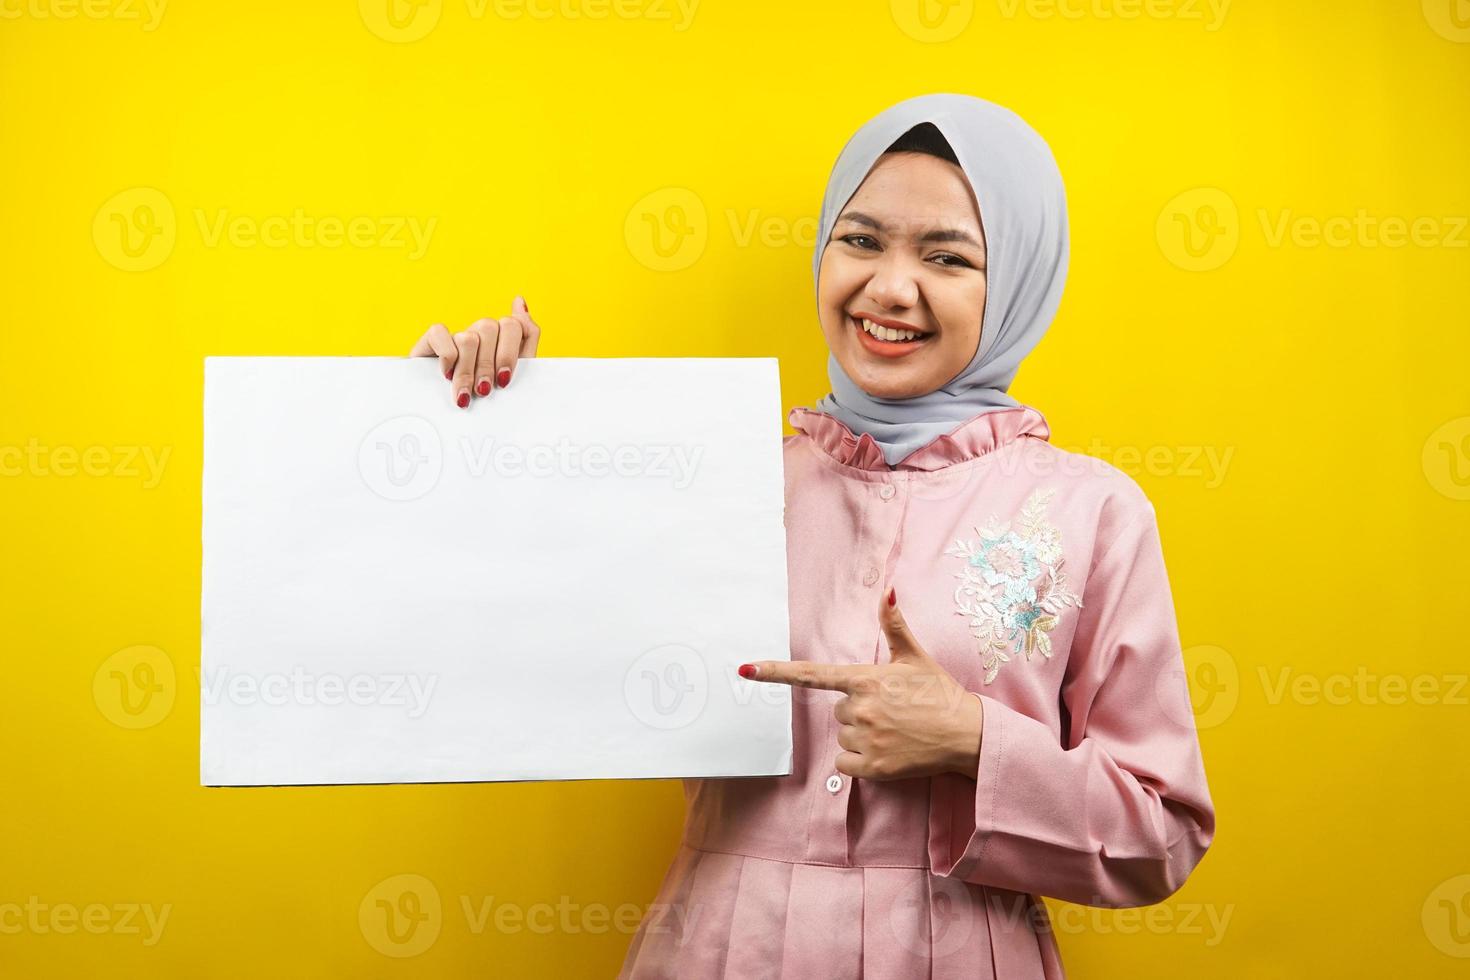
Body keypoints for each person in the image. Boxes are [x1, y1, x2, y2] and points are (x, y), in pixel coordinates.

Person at [409, 92, 1216, 979]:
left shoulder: (1092, 512)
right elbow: (523, 634)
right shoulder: (717, 483)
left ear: (1019, 279)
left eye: (947, 256)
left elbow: (1163, 834)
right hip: (721, 949)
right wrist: (481, 431)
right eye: (861, 239)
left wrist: (974, 740)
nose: (889, 287)